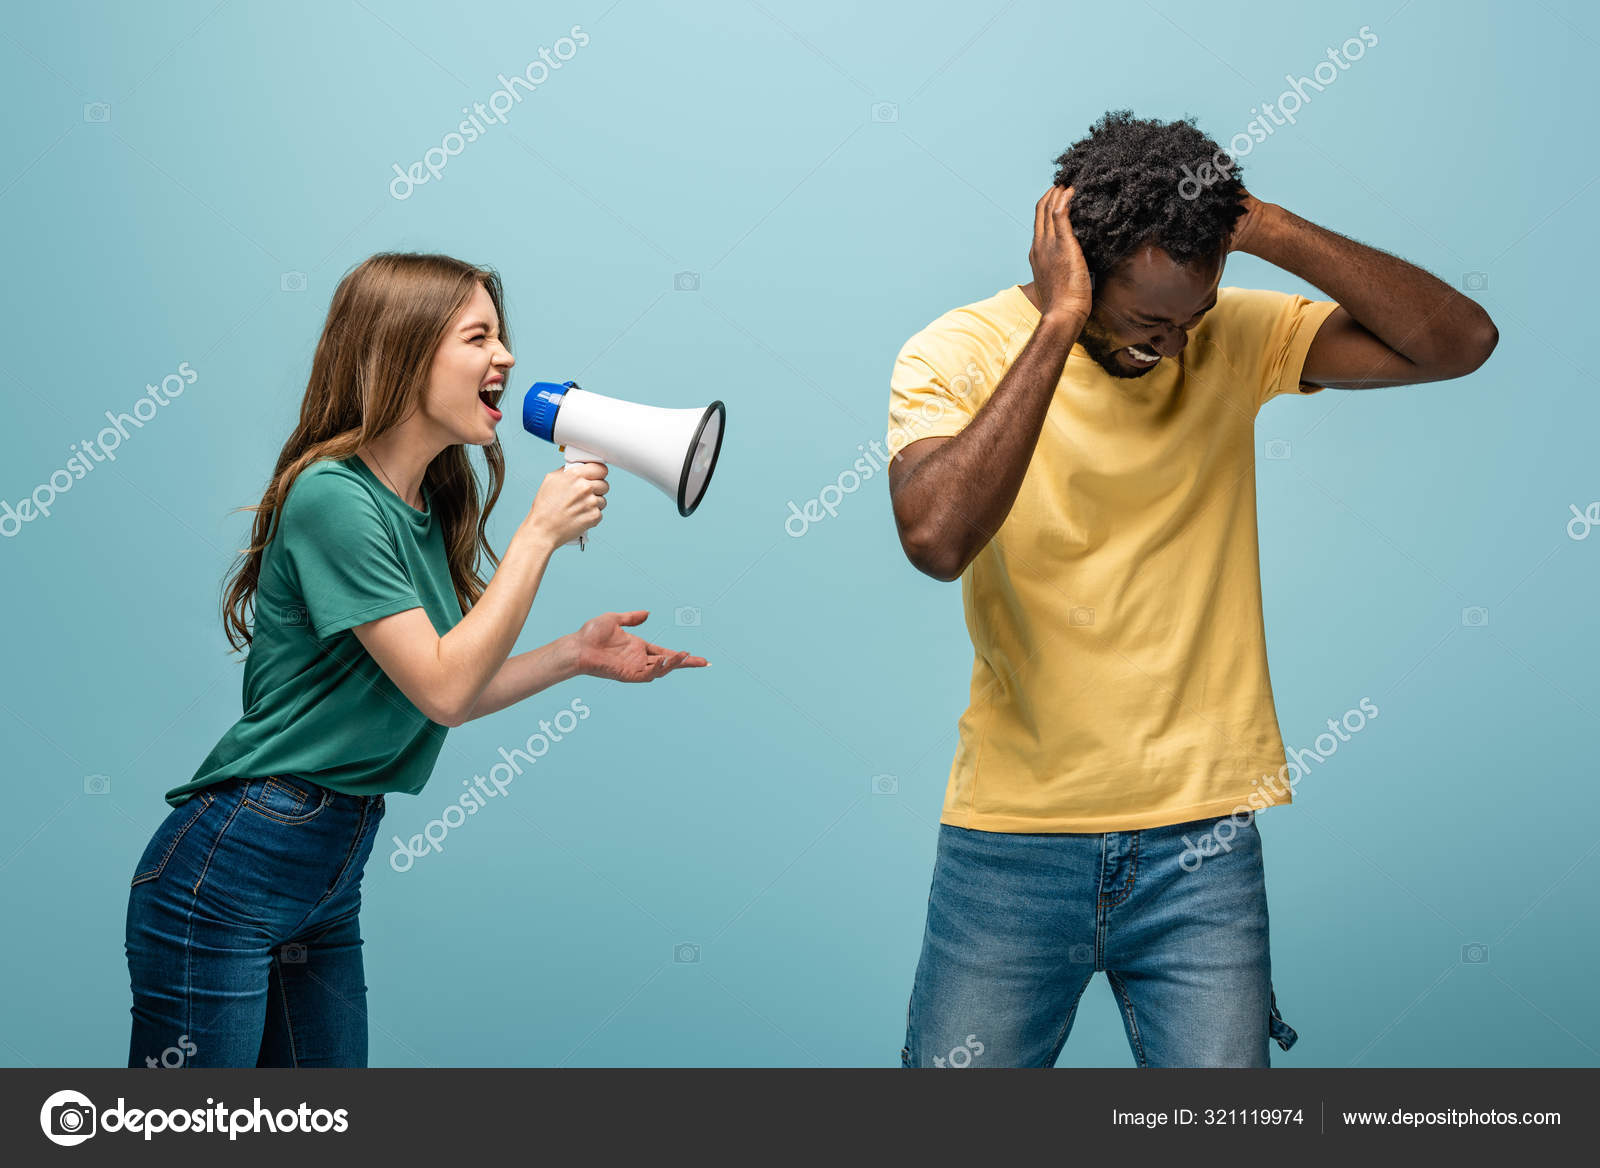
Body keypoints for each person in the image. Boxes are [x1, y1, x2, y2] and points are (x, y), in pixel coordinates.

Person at [886, 111, 1497, 1067]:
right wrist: (1056, 326)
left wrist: (1266, 228)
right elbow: (936, 538)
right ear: (1077, 267)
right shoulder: (954, 352)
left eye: (1192, 319)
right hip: (1012, 844)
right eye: (1146, 323)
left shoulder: (1229, 338)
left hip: (1200, 851)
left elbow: (1459, 342)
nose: (1174, 348)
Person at [125, 252, 707, 1068]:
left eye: (501, 338)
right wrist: (538, 536)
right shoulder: (332, 496)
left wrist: (576, 655)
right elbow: (442, 686)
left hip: (329, 871)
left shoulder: (427, 505)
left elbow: (445, 687)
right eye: (479, 337)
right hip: (233, 865)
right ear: (402, 353)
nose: (505, 358)